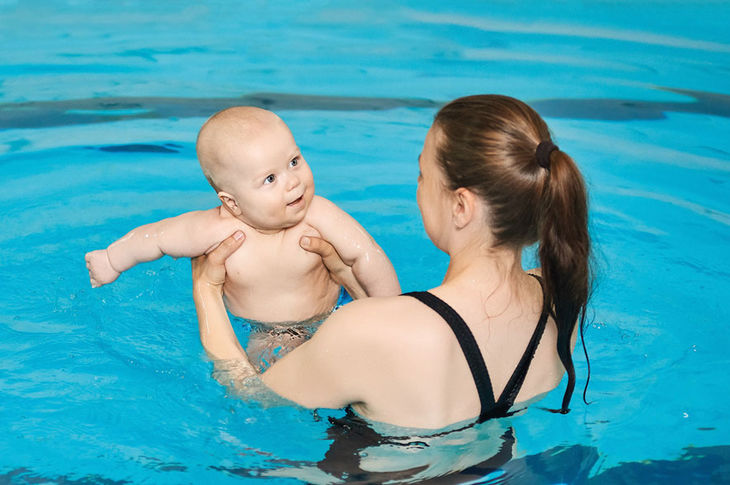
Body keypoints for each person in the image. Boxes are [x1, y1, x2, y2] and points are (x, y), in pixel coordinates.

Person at [192, 94, 591, 430]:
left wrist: (207, 290)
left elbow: (248, 396)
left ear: (460, 206)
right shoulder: (561, 293)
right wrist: (350, 280)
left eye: (422, 175)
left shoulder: (367, 332)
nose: (417, 188)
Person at [85, 106, 400, 368]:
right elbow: (157, 237)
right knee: (264, 383)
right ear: (231, 202)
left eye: (294, 161)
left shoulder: (318, 214)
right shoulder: (216, 230)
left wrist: (394, 311)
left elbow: (367, 254)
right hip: (271, 332)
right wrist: (112, 259)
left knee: (371, 349)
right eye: (270, 179)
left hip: (337, 310)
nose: (293, 182)